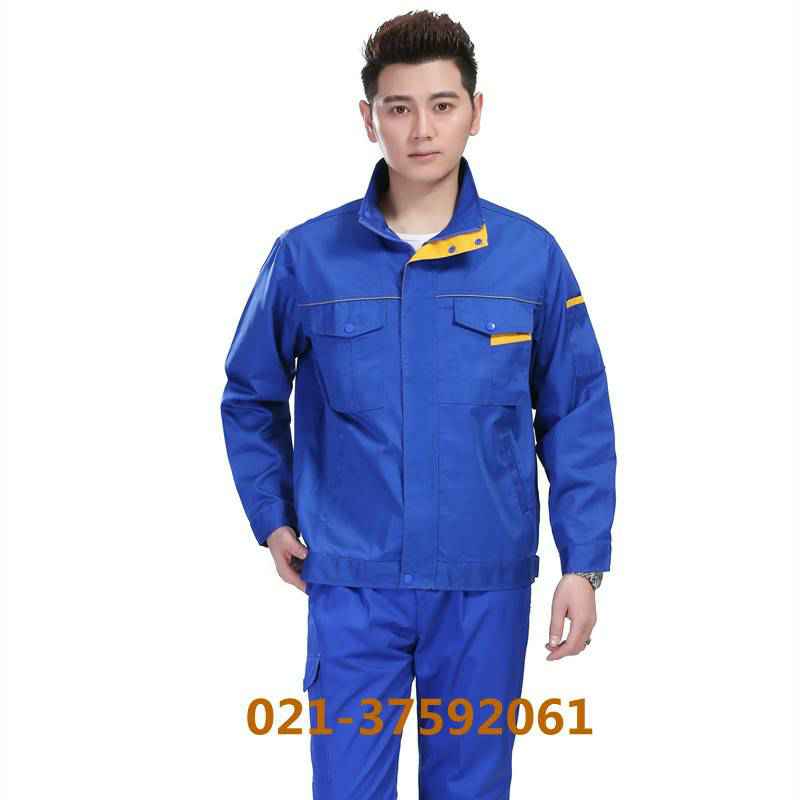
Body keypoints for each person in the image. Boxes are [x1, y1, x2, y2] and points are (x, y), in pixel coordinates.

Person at [220, 10, 616, 799]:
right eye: (399, 108)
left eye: (442, 105)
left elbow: (576, 412)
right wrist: (271, 515)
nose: (422, 130)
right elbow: (250, 395)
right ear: (369, 119)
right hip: (352, 582)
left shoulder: (530, 258)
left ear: (476, 111)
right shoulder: (306, 258)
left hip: (483, 587)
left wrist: (584, 563)